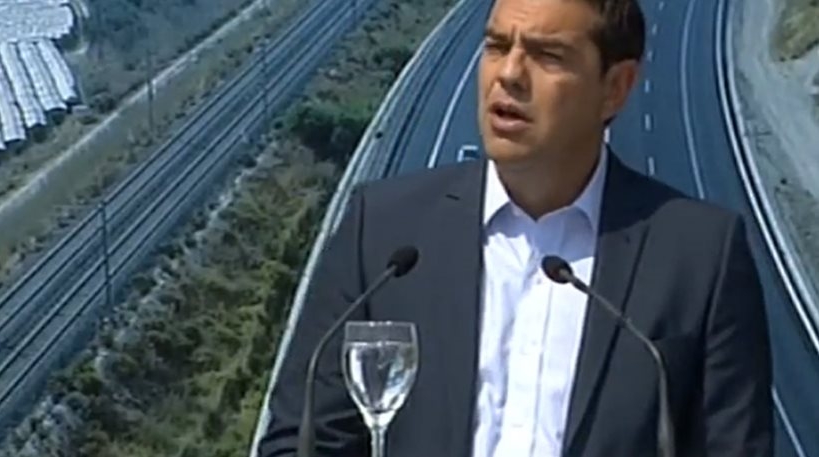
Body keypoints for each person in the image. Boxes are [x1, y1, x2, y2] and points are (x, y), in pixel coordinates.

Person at [257, 0, 773, 455]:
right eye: (497, 46)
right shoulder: (385, 232)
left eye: (548, 56)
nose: (509, 74)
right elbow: (302, 440)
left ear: (615, 88)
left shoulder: (700, 255)